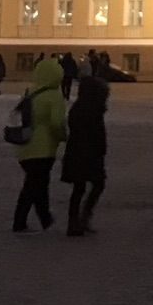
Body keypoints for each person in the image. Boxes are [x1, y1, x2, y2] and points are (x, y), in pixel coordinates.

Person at [12, 56, 69, 232]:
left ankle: (44, 218)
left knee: (37, 183)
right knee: (34, 185)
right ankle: (21, 221)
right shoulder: (54, 96)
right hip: (43, 148)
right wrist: (63, 137)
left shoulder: (30, 91)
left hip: (24, 145)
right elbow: (56, 123)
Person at [62, 76, 109, 236]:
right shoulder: (92, 110)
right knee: (95, 184)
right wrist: (101, 149)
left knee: (80, 187)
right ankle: (81, 218)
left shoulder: (79, 107)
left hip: (77, 152)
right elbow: (96, 133)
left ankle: (76, 220)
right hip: (89, 153)